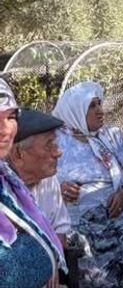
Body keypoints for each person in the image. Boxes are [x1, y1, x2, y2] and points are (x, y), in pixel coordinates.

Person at [55, 81, 123, 288]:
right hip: (77, 219)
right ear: (75, 110)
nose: (100, 111)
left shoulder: (112, 136)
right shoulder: (57, 141)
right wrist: (59, 188)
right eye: (92, 106)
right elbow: (41, 182)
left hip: (115, 213)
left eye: (100, 104)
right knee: (88, 261)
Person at [0, 78, 67, 288]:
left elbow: (58, 230)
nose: (5, 129)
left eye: (11, 117)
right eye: (49, 146)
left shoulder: (8, 184)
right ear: (19, 153)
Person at [7, 109, 71, 242]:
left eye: (55, 143)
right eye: (49, 145)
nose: (58, 152)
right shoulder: (4, 191)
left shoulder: (47, 180)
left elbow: (60, 234)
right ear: (18, 154)